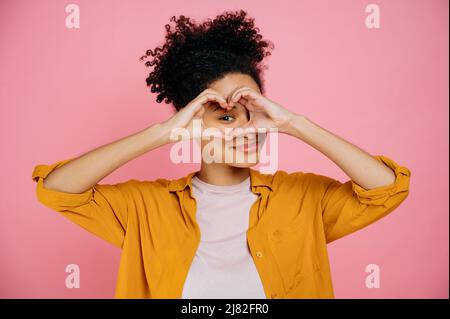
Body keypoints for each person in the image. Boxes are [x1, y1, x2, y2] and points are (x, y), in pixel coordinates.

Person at [32, 9, 411, 299]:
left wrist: (293, 123)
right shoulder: (146, 207)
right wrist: (162, 133)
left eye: (254, 113)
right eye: (226, 116)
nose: (245, 128)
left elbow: (387, 188)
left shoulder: (304, 199)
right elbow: (57, 189)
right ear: (191, 120)